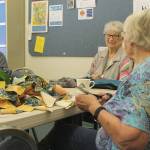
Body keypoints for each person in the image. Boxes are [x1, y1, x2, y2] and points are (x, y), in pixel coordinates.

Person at [38, 10, 150, 150]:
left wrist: (94, 106)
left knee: (61, 132)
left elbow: (128, 141)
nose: (119, 39)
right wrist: (112, 103)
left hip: (110, 145)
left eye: (123, 35)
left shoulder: (144, 75)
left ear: (132, 40)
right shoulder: (143, 69)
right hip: (110, 135)